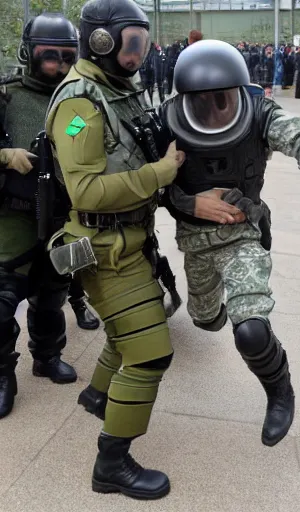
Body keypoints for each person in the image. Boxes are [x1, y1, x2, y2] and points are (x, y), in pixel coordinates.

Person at [159, 39, 300, 449]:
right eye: (202, 102)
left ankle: (279, 391)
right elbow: (142, 182)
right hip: (195, 240)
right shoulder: (165, 121)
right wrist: (188, 201)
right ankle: (195, 302)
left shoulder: (259, 113)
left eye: (222, 99)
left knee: (250, 330)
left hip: (243, 234)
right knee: (206, 320)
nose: (213, 109)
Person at [44, 0, 190, 499]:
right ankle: (113, 463)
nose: (138, 55)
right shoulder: (79, 106)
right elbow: (83, 190)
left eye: (142, 44)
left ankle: (97, 394)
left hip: (130, 238)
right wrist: (159, 174)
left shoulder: (115, 90)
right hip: (103, 247)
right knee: (150, 356)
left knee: (129, 332)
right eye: (130, 44)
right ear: (100, 41)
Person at [0, 13, 79, 419]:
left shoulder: (76, 99)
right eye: (50, 57)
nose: (60, 66)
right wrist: (4, 155)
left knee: (53, 295)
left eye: (68, 57)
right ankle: (1, 373)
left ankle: (46, 357)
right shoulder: (6, 97)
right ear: (28, 54)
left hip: (63, 218)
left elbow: (88, 140)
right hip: (14, 218)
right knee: (3, 297)